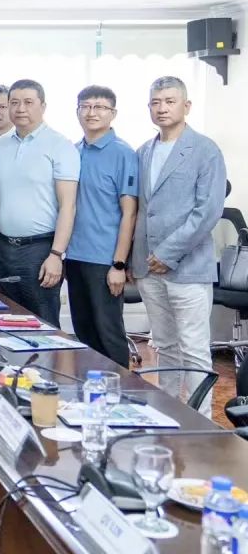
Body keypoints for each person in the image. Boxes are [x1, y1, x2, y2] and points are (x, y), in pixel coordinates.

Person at [132, 76, 226, 416]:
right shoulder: (143, 151)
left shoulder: (205, 150)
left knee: (194, 350)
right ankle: (167, 413)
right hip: (147, 267)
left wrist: (168, 254)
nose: (162, 108)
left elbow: (207, 211)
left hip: (187, 268)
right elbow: (140, 209)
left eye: (170, 101)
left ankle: (201, 422)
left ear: (186, 106)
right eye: (156, 102)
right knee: (164, 345)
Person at [0, 79, 79, 325]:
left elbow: (68, 206)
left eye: (28, 102)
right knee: (4, 322)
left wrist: (56, 254)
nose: (20, 109)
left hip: (39, 250)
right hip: (1, 248)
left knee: (42, 324)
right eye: (14, 102)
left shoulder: (60, 145)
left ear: (43, 106)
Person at [63, 86, 138, 368]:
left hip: (104, 260)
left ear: (113, 113)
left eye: (99, 107)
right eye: (85, 106)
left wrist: (119, 264)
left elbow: (129, 213)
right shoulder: (73, 151)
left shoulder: (123, 154)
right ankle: (89, 391)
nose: (91, 112)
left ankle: (121, 390)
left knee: (108, 334)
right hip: (74, 257)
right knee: (84, 334)